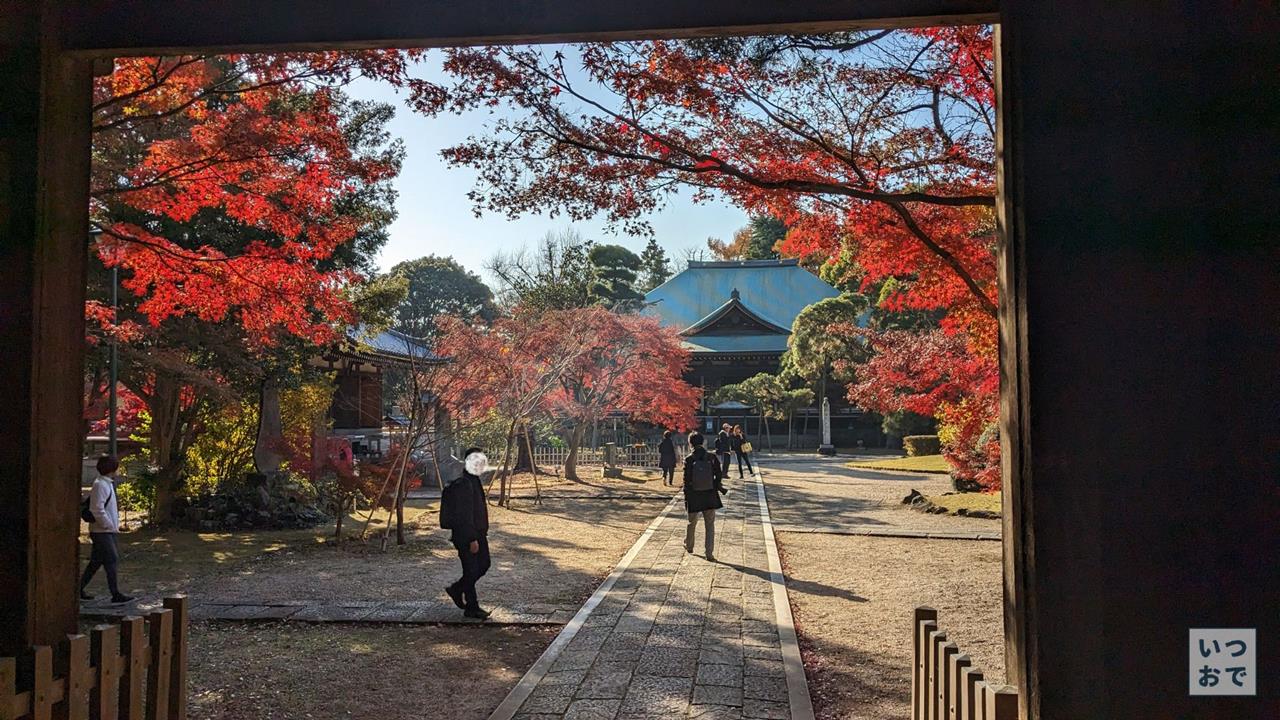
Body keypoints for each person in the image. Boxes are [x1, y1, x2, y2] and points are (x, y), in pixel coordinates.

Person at [440, 447, 492, 619]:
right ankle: (471, 605)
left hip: (477, 532)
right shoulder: (464, 483)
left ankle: (457, 590)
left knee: (482, 565)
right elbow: (464, 514)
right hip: (467, 535)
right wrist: (471, 538)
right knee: (471, 569)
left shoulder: (473, 480)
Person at [80, 455, 133, 604]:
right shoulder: (100, 485)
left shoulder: (105, 483)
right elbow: (97, 509)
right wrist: (109, 525)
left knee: (96, 562)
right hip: (102, 530)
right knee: (111, 559)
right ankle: (115, 593)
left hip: (105, 529)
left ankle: (78, 589)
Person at [682, 432, 727, 562]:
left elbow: (686, 480)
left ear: (691, 443)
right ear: (703, 442)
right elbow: (719, 475)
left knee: (692, 522)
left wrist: (687, 496)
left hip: (694, 495)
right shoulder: (712, 457)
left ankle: (689, 545)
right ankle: (709, 553)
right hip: (709, 494)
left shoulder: (689, 459)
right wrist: (716, 485)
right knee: (710, 525)